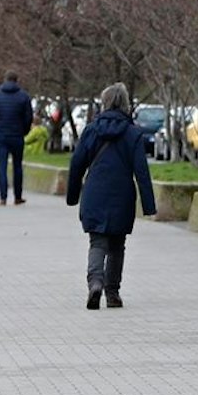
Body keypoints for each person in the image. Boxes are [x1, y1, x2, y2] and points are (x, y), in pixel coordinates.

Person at [65, 83, 157, 309]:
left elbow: (77, 164)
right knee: (117, 244)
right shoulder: (133, 133)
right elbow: (141, 172)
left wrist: (72, 195)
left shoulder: (91, 130)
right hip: (122, 194)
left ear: (103, 102)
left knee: (97, 241)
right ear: (126, 104)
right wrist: (149, 205)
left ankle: (95, 282)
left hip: (95, 192)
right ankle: (112, 293)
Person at [0, 71, 35, 206]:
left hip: (1, 135)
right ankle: (17, 196)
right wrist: (24, 130)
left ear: (5, 79)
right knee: (17, 166)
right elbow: (28, 117)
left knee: (2, 166)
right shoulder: (24, 96)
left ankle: (3, 197)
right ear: (17, 80)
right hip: (17, 135)